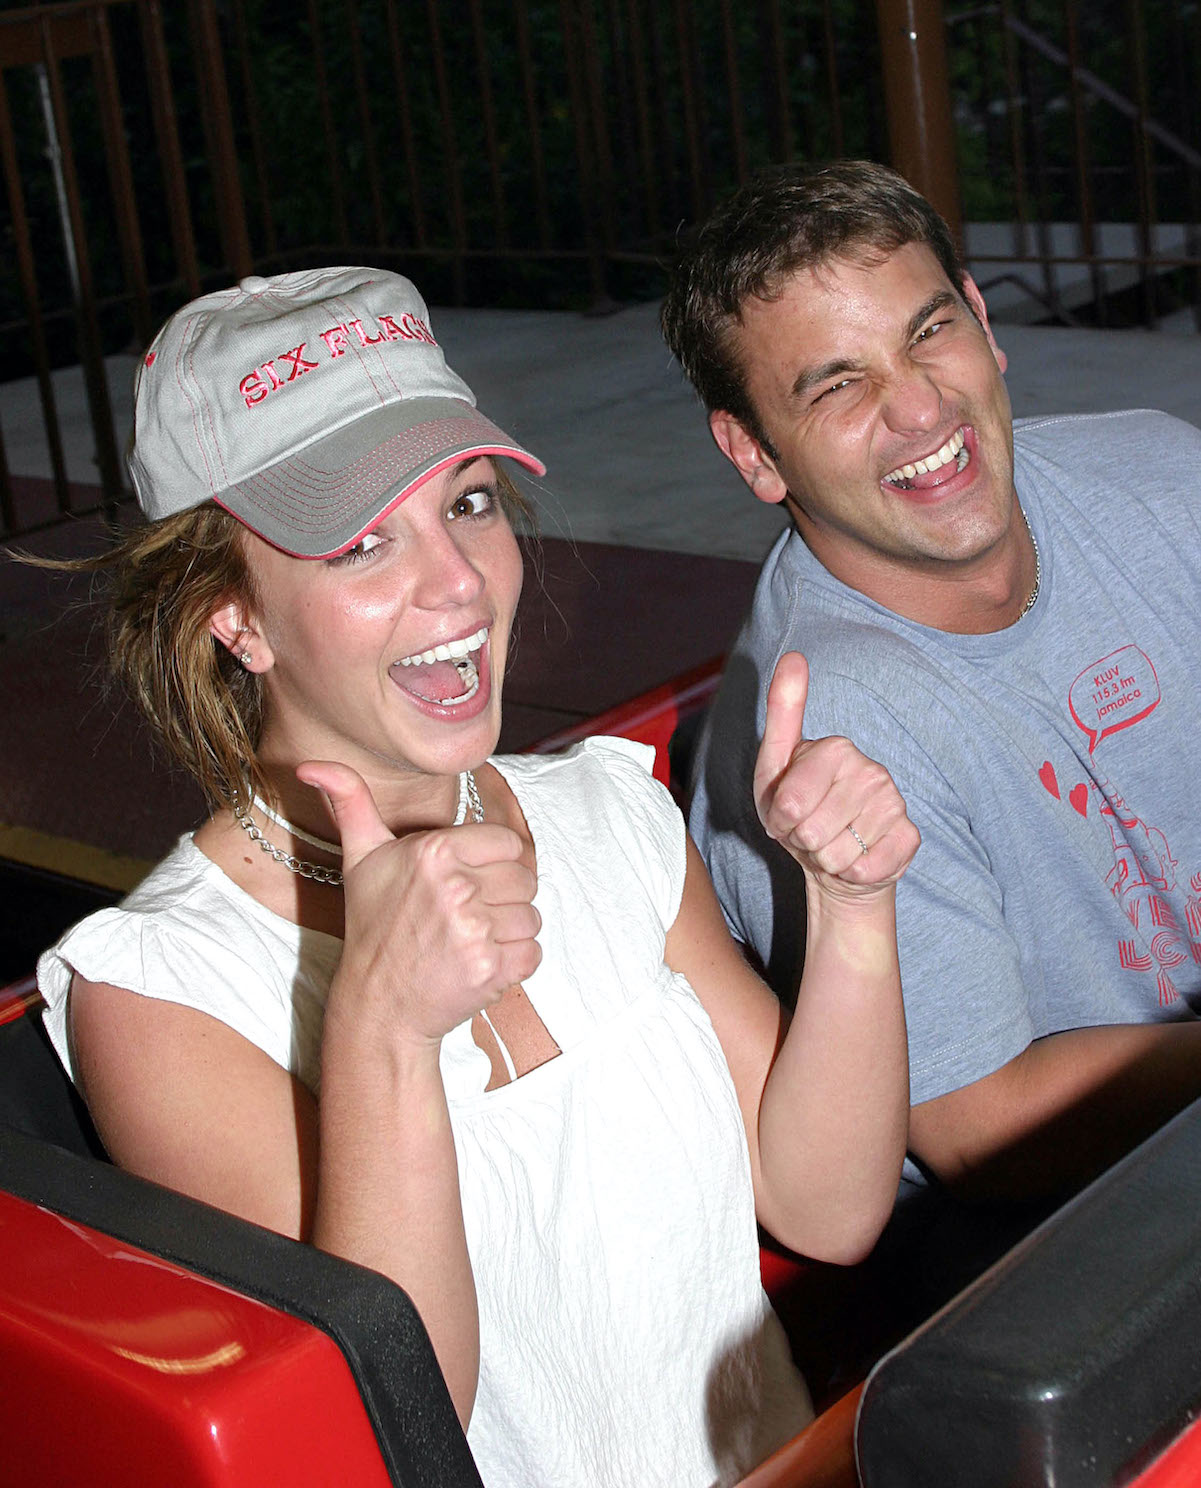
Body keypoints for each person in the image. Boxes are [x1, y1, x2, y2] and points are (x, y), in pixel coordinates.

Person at [35, 267, 919, 1487]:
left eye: (468, 501)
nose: (456, 581)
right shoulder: (159, 989)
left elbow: (828, 1210)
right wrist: (383, 1034)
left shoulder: (610, 815)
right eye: (359, 541)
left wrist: (855, 908)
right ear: (233, 616)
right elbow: (388, 1426)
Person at [661, 159, 1201, 1223]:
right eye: (838, 383)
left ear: (984, 328)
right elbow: (975, 1128)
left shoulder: (1161, 478)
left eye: (926, 332)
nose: (916, 406)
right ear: (753, 454)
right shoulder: (835, 724)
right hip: (1073, 1238)